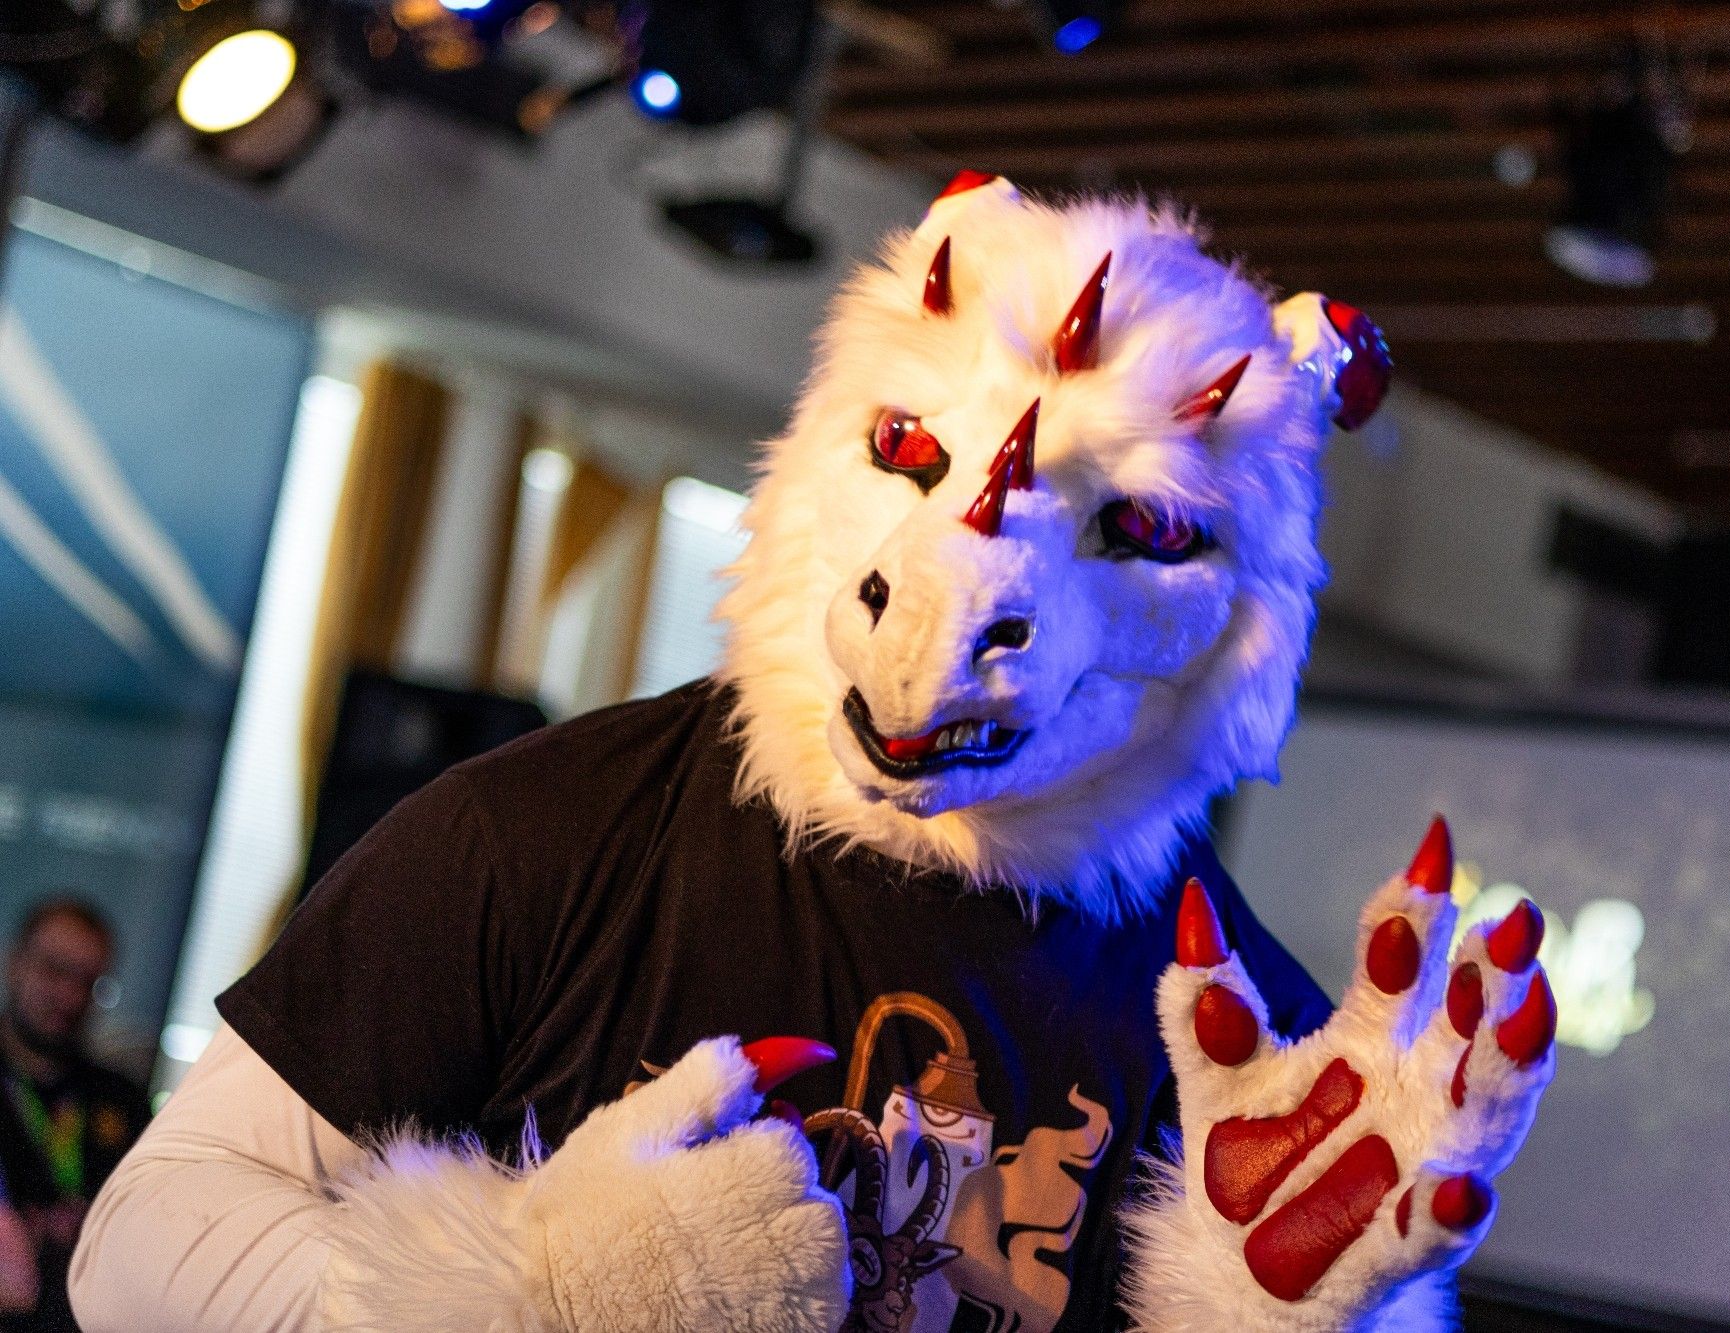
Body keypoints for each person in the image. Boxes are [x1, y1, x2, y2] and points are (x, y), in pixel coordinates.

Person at [69, 177, 1555, 1332]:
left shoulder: (1240, 1041)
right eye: (910, 450)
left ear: (1248, 607)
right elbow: (139, 1250)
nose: (971, 579)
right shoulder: (536, 836)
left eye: (1145, 525)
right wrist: (529, 1294)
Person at [0, 899, 147, 1332]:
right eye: (54, 970)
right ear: (15, 962)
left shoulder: (121, 1100)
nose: (70, 995)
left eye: (88, 980)